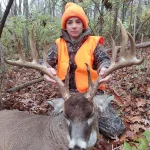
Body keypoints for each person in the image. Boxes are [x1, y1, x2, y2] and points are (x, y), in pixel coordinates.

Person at [44, 2, 125, 138]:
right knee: (50, 129)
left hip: (91, 96)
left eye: (78, 22)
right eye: (69, 22)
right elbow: (44, 63)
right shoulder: (58, 45)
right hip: (68, 97)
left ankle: (87, 124)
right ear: (65, 26)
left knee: (115, 130)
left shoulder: (93, 44)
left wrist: (104, 69)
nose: (74, 26)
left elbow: (104, 60)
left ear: (83, 25)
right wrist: (46, 71)